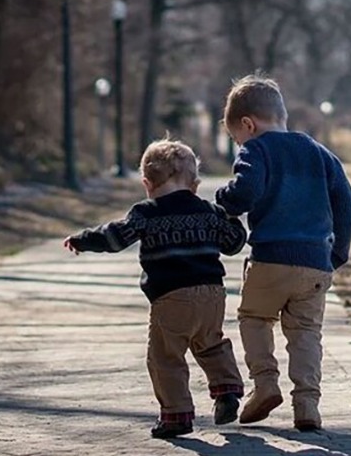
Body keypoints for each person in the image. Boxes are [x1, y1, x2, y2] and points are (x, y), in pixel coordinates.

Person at [64, 138, 246, 439]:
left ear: (147, 183)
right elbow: (234, 243)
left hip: (172, 297)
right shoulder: (208, 211)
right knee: (211, 343)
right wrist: (233, 218)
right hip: (212, 295)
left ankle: (176, 415)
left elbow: (115, 238)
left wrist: (83, 240)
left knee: (165, 357)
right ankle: (227, 391)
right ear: (195, 184)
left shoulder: (146, 213)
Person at [215, 74, 351, 431]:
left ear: (248, 124)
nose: (239, 144)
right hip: (315, 263)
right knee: (306, 332)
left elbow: (245, 193)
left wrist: (224, 200)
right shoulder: (319, 152)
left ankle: (264, 384)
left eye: (236, 138)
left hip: (271, 258)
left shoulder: (256, 149)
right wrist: (338, 251)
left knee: (254, 318)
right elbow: (345, 200)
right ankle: (307, 405)